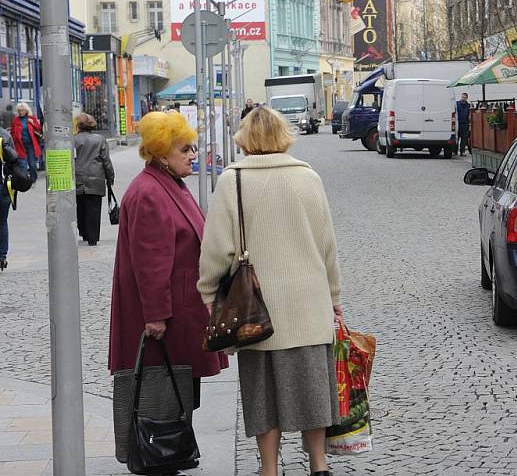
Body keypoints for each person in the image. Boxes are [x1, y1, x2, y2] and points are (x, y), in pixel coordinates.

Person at [198, 107, 342, 476]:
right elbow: (327, 245)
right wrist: (334, 299)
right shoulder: (308, 177)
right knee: (313, 391)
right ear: (284, 134)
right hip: (309, 305)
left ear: (245, 138)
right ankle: (319, 465)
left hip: (255, 309)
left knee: (263, 395)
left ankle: (268, 469)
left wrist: (209, 292)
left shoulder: (233, 180)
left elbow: (218, 248)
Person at [109, 111, 228, 431]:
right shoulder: (150, 193)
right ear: (161, 154)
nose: (193, 155)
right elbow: (151, 264)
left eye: (192, 147)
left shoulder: (167, 183)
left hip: (182, 306)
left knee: (179, 387)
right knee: (165, 389)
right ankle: (162, 449)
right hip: (167, 313)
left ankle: (173, 445)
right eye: (184, 149)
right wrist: (156, 316)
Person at [74, 113, 115, 246]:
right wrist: (110, 177)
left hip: (77, 178)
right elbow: (106, 160)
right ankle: (93, 237)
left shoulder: (73, 140)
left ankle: (84, 233)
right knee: (94, 208)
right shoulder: (100, 139)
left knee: (80, 207)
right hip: (96, 178)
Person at [0, 127, 24, 271]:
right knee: (2, 222)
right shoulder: (4, 134)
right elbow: (14, 159)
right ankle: (2, 256)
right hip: (3, 185)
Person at [10, 102, 42, 184]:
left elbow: (39, 129)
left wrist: (32, 123)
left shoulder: (31, 118)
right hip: (20, 145)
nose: (21, 112)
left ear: (26, 110)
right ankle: (25, 181)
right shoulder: (15, 120)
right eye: (19, 110)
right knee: (23, 164)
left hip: (31, 145)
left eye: (22, 110)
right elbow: (12, 132)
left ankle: (33, 179)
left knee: (32, 164)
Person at [456, 92, 471, 156]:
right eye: (462, 97)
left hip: (465, 123)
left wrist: (469, 124)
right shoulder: (457, 104)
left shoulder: (468, 105)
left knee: (464, 138)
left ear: (467, 98)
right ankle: (455, 151)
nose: (463, 98)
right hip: (458, 123)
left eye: (464, 97)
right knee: (456, 138)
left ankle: (462, 152)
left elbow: (469, 114)